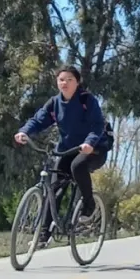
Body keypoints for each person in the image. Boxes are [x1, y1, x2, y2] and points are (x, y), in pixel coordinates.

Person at [14, 66, 109, 226]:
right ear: (57, 82)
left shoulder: (86, 100)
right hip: (67, 149)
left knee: (77, 166)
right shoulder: (54, 103)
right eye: (61, 80)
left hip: (94, 149)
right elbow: (38, 120)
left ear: (77, 82)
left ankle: (89, 204)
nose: (65, 83)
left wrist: (90, 143)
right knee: (54, 189)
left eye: (70, 79)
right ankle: (44, 233)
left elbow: (98, 125)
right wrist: (24, 132)